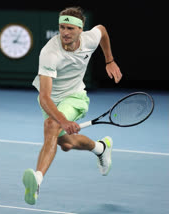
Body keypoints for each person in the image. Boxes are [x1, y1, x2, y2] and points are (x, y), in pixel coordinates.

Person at [22, 7, 122, 205]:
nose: (65, 33)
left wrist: (109, 60)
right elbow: (44, 97)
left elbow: (101, 30)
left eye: (70, 28)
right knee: (66, 143)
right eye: (61, 27)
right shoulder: (50, 53)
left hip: (75, 96)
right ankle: (101, 148)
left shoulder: (89, 39)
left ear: (80, 29)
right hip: (51, 100)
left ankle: (37, 182)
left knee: (51, 126)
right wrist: (64, 120)